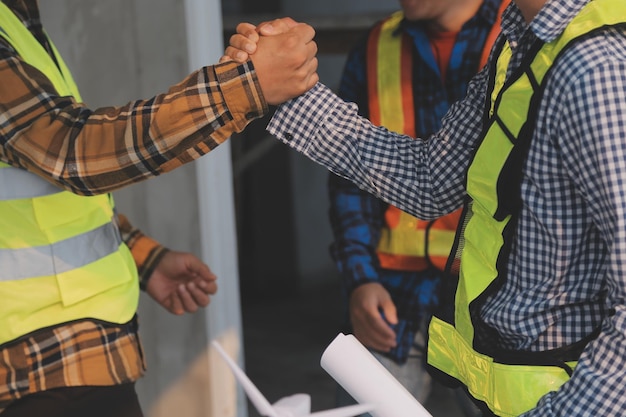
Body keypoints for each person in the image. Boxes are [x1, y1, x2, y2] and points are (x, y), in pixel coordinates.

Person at [226, 0, 626, 415]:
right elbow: (431, 180)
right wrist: (282, 87)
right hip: (506, 379)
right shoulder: (525, 42)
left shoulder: (596, 69)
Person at [0, 1, 318, 416]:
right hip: (34, 368)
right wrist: (245, 85)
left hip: (67, 357)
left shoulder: (17, 18)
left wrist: (141, 254)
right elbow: (72, 152)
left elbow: (35, 188)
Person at [326, 0, 505, 414]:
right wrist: (359, 280)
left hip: (490, 307)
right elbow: (347, 180)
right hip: (393, 302)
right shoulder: (376, 46)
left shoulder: (524, 40)